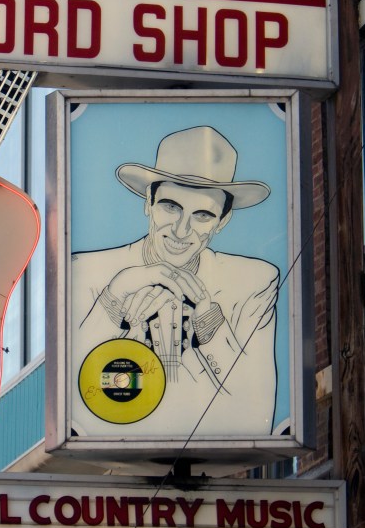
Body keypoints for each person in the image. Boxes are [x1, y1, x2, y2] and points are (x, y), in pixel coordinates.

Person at [71, 125, 280, 436]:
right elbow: (70, 404)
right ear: (148, 202)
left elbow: (258, 417)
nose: (182, 230)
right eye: (171, 207)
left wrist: (210, 323)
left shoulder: (254, 283)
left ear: (223, 222)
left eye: (203, 215)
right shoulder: (85, 271)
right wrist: (112, 301)